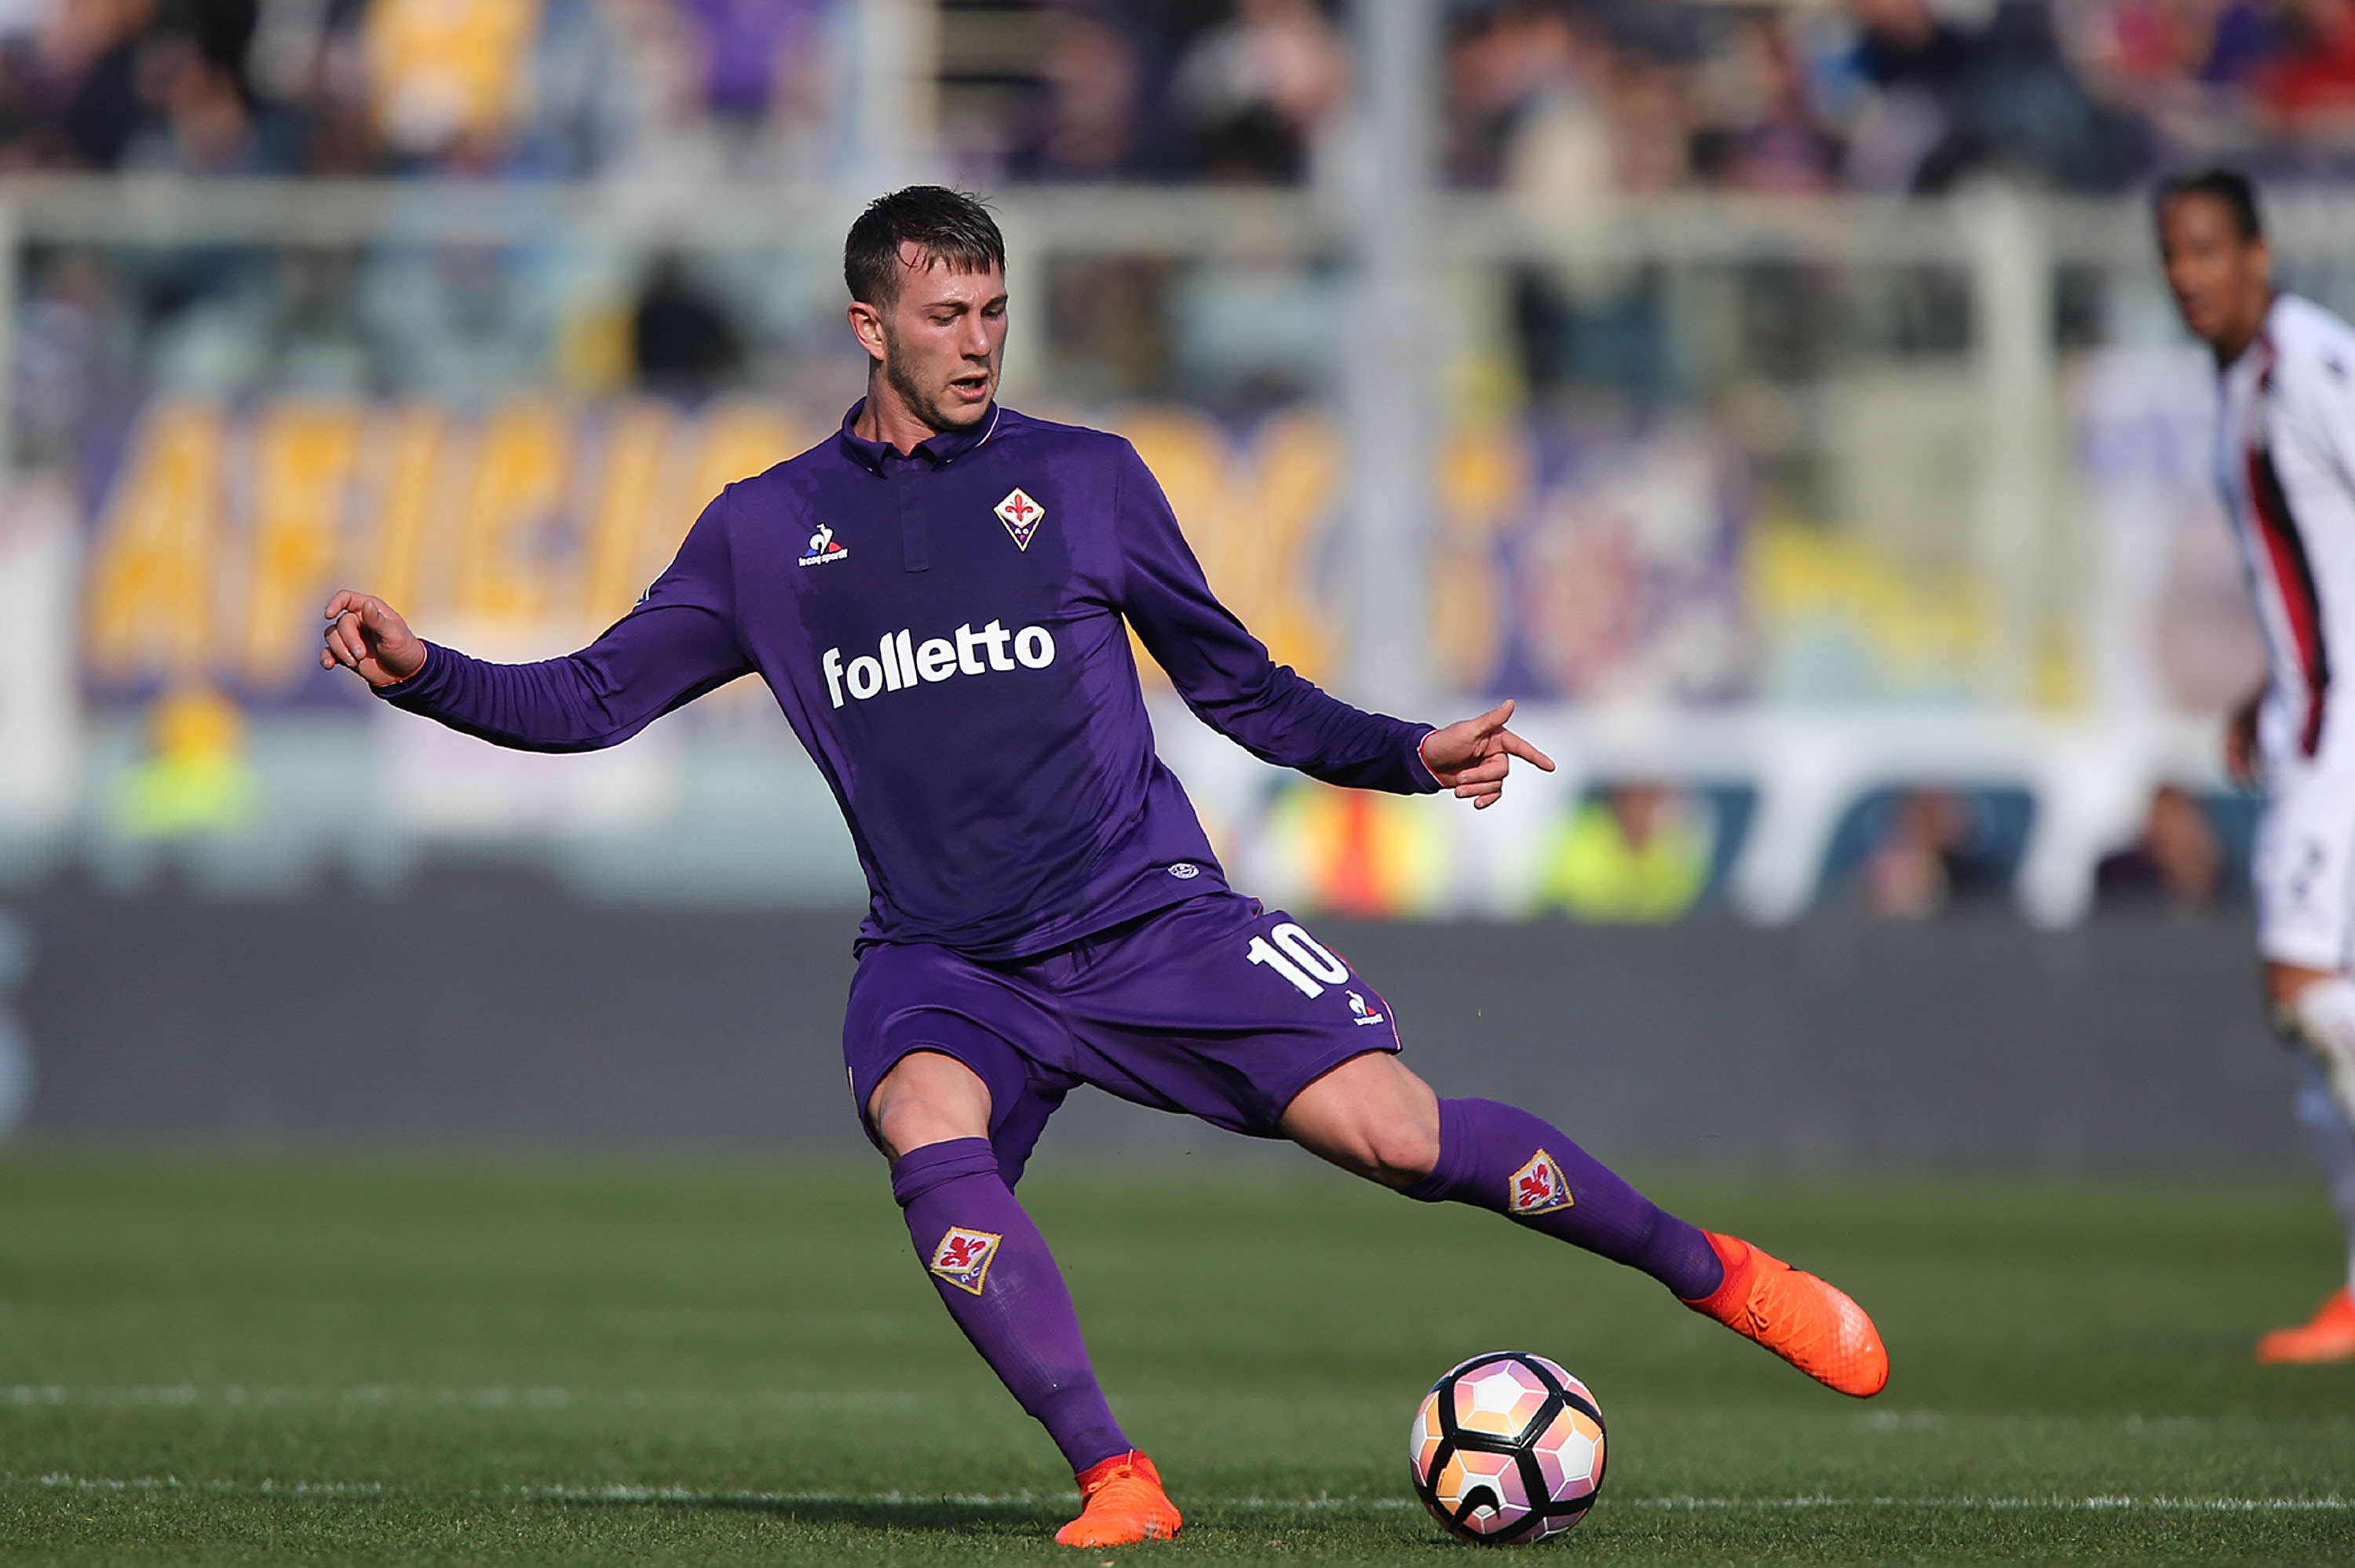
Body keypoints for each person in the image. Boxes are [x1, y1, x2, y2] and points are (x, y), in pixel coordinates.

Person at [320, 187, 1887, 1547]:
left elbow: (1240, 686)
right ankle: (1118, 1475)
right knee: (922, 1119)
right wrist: (426, 673)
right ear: (868, 325)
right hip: (950, 961)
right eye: (946, 314)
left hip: (1150, 921)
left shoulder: (1085, 480)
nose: (981, 341)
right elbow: (592, 698)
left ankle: (1720, 1274)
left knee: (1403, 1138)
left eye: (997, 309)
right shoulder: (762, 532)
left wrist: (1409, 752)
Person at [2158, 166, 2355, 1363]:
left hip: (2343, 731)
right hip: (2304, 715)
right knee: (2313, 1045)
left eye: (2208, 250)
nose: (2189, 275)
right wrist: (2263, 682)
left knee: (2304, 990)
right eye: (2173, 254)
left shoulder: (2310, 365)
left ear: (2260, 255)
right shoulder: (2238, 380)